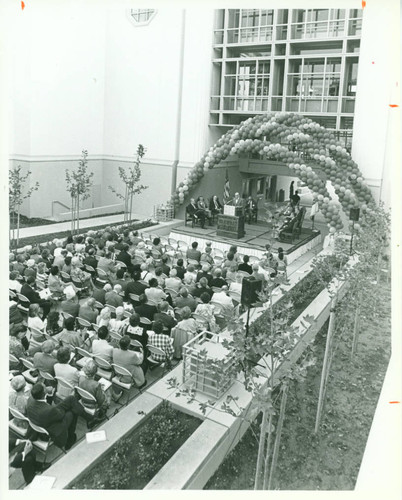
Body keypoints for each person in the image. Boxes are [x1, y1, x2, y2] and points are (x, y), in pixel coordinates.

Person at [26, 382, 87, 449]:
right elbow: (60, 415)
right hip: (51, 429)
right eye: (45, 387)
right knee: (72, 412)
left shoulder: (30, 400)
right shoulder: (49, 410)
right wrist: (64, 409)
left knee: (71, 399)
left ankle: (89, 418)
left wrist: (49, 394)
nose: (47, 387)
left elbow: (46, 406)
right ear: (43, 393)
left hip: (42, 420)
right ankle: (70, 439)